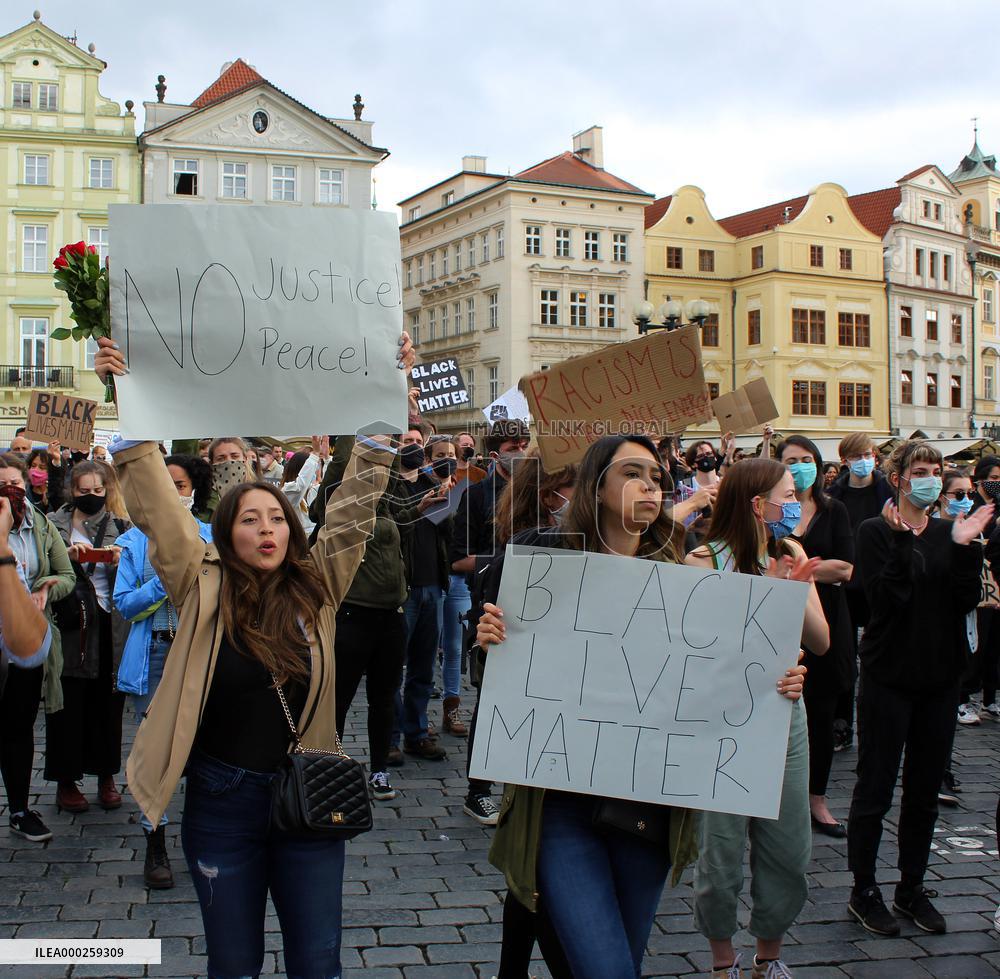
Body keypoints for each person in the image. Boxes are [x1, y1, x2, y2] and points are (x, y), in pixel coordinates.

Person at [95, 330, 413, 979]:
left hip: (309, 790)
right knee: (234, 963)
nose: (265, 528)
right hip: (222, 799)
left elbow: (355, 500)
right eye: (249, 519)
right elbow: (155, 502)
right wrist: (124, 391)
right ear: (224, 532)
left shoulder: (320, 583)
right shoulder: (199, 579)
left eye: (275, 518)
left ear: (291, 531)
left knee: (317, 962)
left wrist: (387, 392)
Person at [479, 438, 809, 979]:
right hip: (561, 806)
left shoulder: (682, 572)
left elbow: (715, 682)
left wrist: (778, 678)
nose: (651, 485)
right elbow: (507, 675)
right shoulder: (547, 561)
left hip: (646, 807)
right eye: (633, 473)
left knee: (620, 964)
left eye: (656, 474)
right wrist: (490, 639)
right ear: (597, 486)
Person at [686, 457, 829, 979]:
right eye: (786, 495)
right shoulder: (702, 562)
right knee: (720, 851)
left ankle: (768, 957)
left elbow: (820, 640)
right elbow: (706, 654)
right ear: (756, 504)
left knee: (788, 845)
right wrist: (765, 597)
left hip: (784, 717)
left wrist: (792, 590)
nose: (794, 504)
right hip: (722, 724)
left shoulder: (790, 551)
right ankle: (723, 961)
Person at [847, 440, 991, 937]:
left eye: (936, 471)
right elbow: (884, 602)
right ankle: (863, 888)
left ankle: (911, 887)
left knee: (925, 792)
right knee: (875, 788)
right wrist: (904, 541)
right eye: (921, 471)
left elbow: (965, 600)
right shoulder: (873, 530)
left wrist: (966, 547)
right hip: (889, 678)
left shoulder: (952, 532)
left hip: (939, 679)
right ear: (900, 478)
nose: (930, 479)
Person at [113, 453, 214, 888]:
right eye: (166, 484)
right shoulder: (135, 542)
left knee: (205, 746)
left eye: (182, 485)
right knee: (155, 750)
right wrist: (163, 578)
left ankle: (206, 837)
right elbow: (126, 604)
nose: (174, 493)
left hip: (197, 652)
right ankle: (154, 838)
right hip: (154, 654)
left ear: (195, 491)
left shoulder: (211, 536)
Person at [310, 436, 409, 803]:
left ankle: (380, 769)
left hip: (391, 615)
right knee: (339, 697)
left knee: (384, 697)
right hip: (352, 614)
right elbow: (335, 483)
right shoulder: (337, 513)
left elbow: (391, 469)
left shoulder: (391, 507)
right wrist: (351, 433)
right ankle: (327, 764)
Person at [451, 419, 530, 824]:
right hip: (492, 610)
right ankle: (478, 790)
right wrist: (504, 563)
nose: (520, 449)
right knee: (491, 703)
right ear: (495, 452)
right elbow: (457, 557)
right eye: (512, 444)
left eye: (524, 442)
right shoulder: (478, 496)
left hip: (538, 610)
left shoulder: (539, 491)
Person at [776, 435, 854, 838]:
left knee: (821, 712)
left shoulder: (833, 509)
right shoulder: (773, 512)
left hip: (827, 620)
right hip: (779, 620)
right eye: (792, 460)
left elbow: (845, 569)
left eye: (807, 460)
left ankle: (816, 799)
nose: (801, 466)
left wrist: (800, 572)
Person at [47, 461, 130, 814]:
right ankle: (66, 780)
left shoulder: (120, 525)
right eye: (85, 490)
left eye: (98, 490)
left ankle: (106, 776)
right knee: (67, 703)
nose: (92, 496)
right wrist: (64, 559)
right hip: (68, 622)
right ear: (72, 490)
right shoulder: (52, 524)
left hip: (108, 623)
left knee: (107, 705)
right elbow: (40, 567)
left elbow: (138, 568)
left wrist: (119, 559)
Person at [0, 453, 75, 843]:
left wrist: (47, 588)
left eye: (14, 484)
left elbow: (65, 575)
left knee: (18, 725)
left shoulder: (40, 525)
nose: (8, 493)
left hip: (26, 638)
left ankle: (18, 808)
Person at [391, 434, 458, 762]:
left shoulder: (432, 484)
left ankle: (415, 733)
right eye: (407, 442)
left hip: (433, 585)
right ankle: (389, 736)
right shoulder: (388, 486)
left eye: (418, 442)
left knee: (423, 667)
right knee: (392, 667)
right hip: (402, 589)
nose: (413, 447)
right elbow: (389, 531)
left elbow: (451, 534)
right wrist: (417, 510)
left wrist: (447, 503)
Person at [827, 432, 894, 753]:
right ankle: (841, 724)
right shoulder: (834, 494)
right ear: (845, 460)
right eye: (856, 456)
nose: (863, 461)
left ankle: (879, 723)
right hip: (845, 585)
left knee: (879, 655)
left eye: (867, 454)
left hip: (878, 583)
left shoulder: (888, 491)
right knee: (844, 657)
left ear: (875, 456)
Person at [935, 470, 978, 807]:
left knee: (945, 712)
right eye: (957, 492)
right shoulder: (930, 533)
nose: (964, 499)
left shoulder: (971, 537)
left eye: (968, 492)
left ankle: (942, 772)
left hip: (957, 636)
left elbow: (969, 594)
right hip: (925, 637)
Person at [280, 437, 329, 535]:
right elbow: (300, 486)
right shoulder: (287, 490)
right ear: (302, 468)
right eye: (314, 466)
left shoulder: (314, 490)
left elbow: (330, 483)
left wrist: (327, 458)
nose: (316, 470)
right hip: (299, 540)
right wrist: (314, 454)